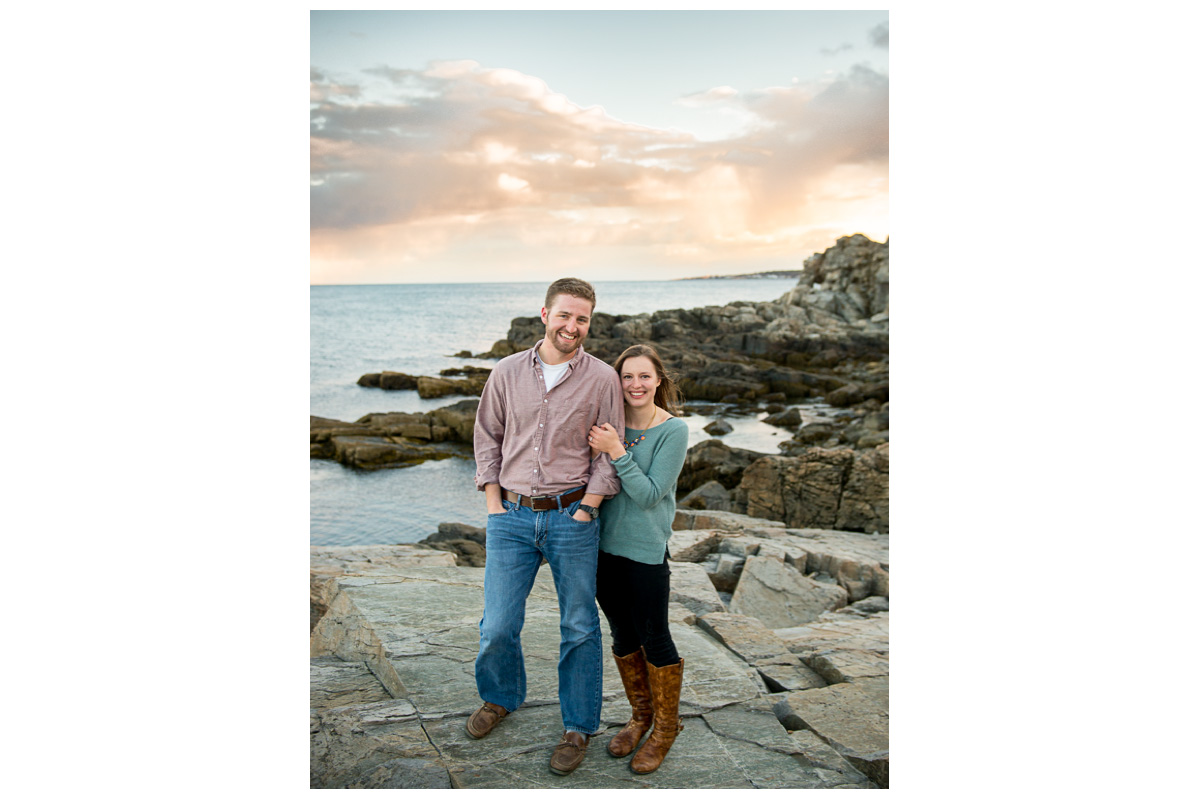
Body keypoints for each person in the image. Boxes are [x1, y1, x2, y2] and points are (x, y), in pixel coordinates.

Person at [468, 277, 625, 777]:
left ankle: (578, 726)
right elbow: (487, 435)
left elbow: (611, 447)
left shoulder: (601, 378)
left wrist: (588, 507)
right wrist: (493, 500)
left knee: (579, 626)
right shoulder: (507, 371)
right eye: (564, 316)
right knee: (497, 625)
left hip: (571, 516)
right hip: (510, 517)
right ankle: (500, 698)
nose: (572, 327)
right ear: (544, 313)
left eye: (582, 319)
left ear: (589, 323)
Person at [586, 343, 689, 775]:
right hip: (600, 549)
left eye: (644, 376)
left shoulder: (673, 431)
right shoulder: (607, 424)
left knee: (656, 638)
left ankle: (665, 728)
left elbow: (649, 495)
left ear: (658, 380)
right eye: (627, 377)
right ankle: (640, 716)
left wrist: (617, 451)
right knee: (623, 636)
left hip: (645, 552)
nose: (635, 384)